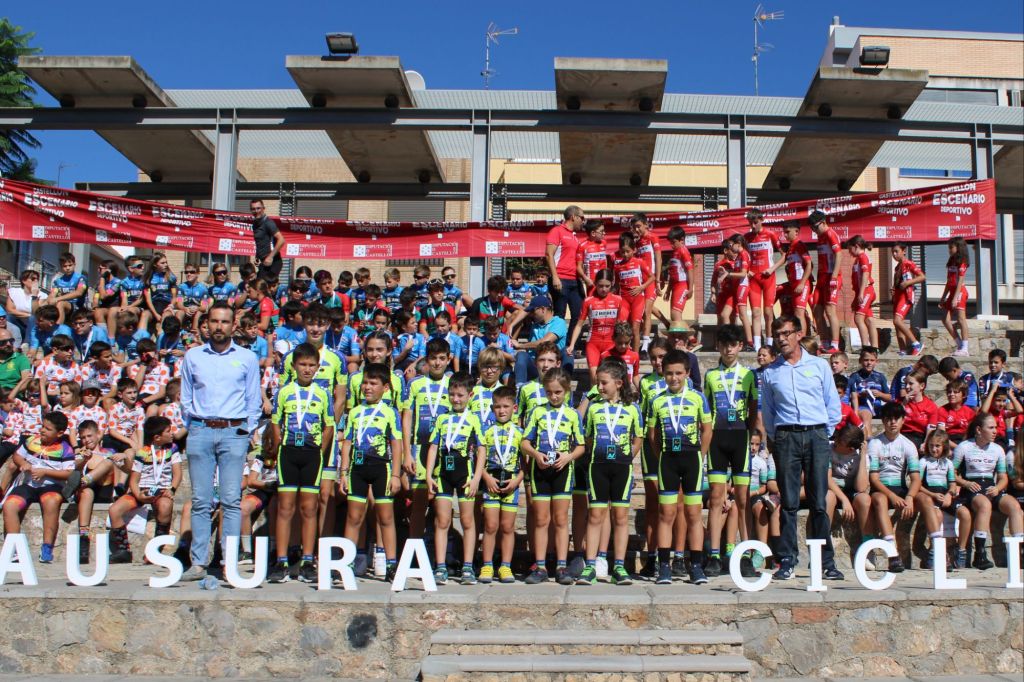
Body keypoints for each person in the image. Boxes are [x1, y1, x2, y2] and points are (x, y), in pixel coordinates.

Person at [178, 301, 262, 581]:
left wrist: (247, 430)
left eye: (224, 322)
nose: (219, 327)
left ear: (233, 325)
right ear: (207, 324)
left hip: (233, 431)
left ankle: (229, 563)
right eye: (214, 321)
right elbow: (185, 396)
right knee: (201, 500)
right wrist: (192, 426)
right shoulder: (193, 356)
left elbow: (253, 398)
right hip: (201, 429)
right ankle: (199, 562)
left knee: (231, 500)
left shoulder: (247, 357)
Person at [759, 314, 843, 581]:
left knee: (819, 501)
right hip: (786, 436)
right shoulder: (771, 372)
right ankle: (787, 560)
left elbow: (832, 404)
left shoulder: (819, 365)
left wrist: (824, 434)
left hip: (816, 434)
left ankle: (825, 561)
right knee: (788, 502)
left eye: (786, 334)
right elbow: (768, 411)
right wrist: (779, 436)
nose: (781, 339)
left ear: (798, 334)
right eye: (777, 335)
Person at [268, 342, 336, 583]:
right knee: (285, 508)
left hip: (311, 455)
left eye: (311, 365)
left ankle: (308, 561)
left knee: (309, 508)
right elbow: (275, 421)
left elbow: (329, 425)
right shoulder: (284, 391)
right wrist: (279, 446)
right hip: (288, 453)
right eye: (302, 365)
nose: (307, 369)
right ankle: (282, 561)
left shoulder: (323, 393)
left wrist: (320, 450)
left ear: (318, 367)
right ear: (294, 366)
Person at [576, 359, 644, 586]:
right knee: (595, 515)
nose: (599, 387)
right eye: (598, 383)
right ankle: (590, 566)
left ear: (619, 383)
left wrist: (627, 457)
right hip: (598, 467)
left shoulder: (632, 408)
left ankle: (619, 567)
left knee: (621, 517)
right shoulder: (594, 407)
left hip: (622, 468)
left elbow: (638, 437)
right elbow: (588, 437)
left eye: (604, 383)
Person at [649, 349, 713, 585]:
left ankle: (695, 566)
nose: (673, 378)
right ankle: (665, 566)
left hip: (692, 460)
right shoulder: (657, 400)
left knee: (693, 513)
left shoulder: (698, 398)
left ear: (687, 373)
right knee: (666, 513)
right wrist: (662, 456)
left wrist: (700, 455)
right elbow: (652, 435)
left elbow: (707, 430)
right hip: (668, 460)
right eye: (669, 373)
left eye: (678, 373)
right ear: (663, 374)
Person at [702, 324, 759, 578]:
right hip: (717, 440)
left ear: (740, 346)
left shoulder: (748, 375)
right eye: (724, 345)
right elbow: (706, 411)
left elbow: (753, 409)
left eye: (733, 345)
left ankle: (745, 554)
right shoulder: (710, 376)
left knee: (743, 499)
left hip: (740, 440)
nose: (728, 349)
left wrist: (751, 434)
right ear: (718, 346)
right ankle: (714, 555)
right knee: (716, 498)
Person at [339, 363, 402, 583]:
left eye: (373, 383)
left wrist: (396, 475)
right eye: (365, 382)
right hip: (357, 469)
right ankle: (346, 564)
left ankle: (391, 564)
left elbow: (396, 444)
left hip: (381, 468)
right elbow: (347, 443)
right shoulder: (355, 411)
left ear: (385, 388)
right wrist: (343, 472)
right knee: (353, 517)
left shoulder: (390, 412)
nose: (367, 387)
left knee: (385, 517)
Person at [521, 368, 584, 585]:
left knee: (560, 519)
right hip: (540, 469)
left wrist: (568, 457)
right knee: (540, 519)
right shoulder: (537, 412)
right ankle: (540, 566)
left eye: (558, 392)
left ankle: (561, 566)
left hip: (562, 470)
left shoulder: (573, 414)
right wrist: (535, 454)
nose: (554, 396)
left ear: (566, 391)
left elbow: (581, 445)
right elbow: (525, 442)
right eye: (549, 392)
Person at [425, 372, 486, 585]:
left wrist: (477, 478)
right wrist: (429, 474)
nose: (456, 399)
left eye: (460, 395)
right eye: (452, 394)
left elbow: (482, 450)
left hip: (465, 476)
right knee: (442, 521)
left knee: (468, 521)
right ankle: (440, 567)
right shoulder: (442, 418)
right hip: (443, 475)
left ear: (470, 395)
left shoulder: (474, 419)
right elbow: (433, 447)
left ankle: (468, 566)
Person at [2, 411, 76, 563]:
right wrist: (23, 463)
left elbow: (68, 473)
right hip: (28, 485)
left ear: (59, 433)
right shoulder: (31, 440)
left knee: (51, 502)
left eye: (48, 429)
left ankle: (47, 547)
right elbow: (17, 456)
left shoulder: (65, 448)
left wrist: (45, 472)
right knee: (10, 505)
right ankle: (14, 549)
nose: (42, 430)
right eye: (43, 426)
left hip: (51, 486)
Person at [107, 416, 182, 564]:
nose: (172, 433)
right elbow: (134, 480)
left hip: (162, 490)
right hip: (141, 489)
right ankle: (123, 550)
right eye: (168, 431)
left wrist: (172, 489)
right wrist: (138, 495)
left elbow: (178, 473)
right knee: (115, 510)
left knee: (165, 506)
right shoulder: (143, 452)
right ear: (157, 437)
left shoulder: (172, 449)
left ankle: (155, 552)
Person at [953, 412, 1023, 569]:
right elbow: (951, 472)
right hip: (972, 487)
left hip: (991, 486)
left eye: (996, 427)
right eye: (990, 428)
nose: (995, 431)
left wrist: (997, 488)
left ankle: (1020, 552)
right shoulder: (964, 447)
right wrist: (965, 483)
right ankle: (980, 554)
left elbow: (1003, 477)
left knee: (1014, 506)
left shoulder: (998, 449)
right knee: (984, 505)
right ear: (979, 430)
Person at [868, 402, 921, 573]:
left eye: (896, 418)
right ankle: (892, 554)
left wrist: (910, 498)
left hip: (900, 487)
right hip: (881, 488)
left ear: (903, 420)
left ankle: (938, 552)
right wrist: (892, 496)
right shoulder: (875, 443)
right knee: (879, 499)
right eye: (888, 419)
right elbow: (874, 479)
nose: (892, 422)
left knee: (926, 500)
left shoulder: (908, 445)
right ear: (883, 421)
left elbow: (915, 478)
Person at [478, 386, 524, 584]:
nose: (502, 410)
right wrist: (486, 477)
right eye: (497, 407)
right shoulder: (485, 431)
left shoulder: (520, 433)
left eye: (506, 406)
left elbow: (526, 464)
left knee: (507, 526)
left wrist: (517, 480)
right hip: (491, 481)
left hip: (511, 482)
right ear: (492, 408)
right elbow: (478, 460)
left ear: (514, 408)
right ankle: (487, 565)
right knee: (490, 525)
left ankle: (505, 566)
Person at [915, 429, 970, 570]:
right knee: (937, 515)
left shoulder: (948, 463)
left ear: (944, 446)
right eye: (931, 445)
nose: (934, 449)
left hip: (945, 495)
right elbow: (917, 485)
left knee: (965, 514)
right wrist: (932, 495)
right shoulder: (923, 462)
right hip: (930, 495)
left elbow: (952, 483)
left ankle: (961, 551)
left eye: (937, 446)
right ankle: (934, 553)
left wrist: (949, 495)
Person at [545, 206, 586, 346]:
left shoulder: (575, 236)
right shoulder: (557, 231)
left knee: (579, 314)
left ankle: (569, 346)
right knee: (560, 316)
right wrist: (555, 277)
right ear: (573, 217)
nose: (583, 221)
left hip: (575, 280)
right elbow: (549, 254)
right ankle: (557, 347)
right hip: (561, 279)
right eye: (582, 217)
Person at [743, 209, 782, 351]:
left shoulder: (770, 234)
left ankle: (770, 345)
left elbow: (784, 255)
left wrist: (772, 269)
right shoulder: (746, 237)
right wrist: (747, 271)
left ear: (762, 220)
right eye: (750, 223)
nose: (753, 226)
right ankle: (757, 345)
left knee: (768, 312)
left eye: (755, 223)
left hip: (768, 277)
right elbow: (742, 257)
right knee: (755, 312)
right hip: (754, 279)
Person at [512, 295, 571, 387]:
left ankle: (566, 387)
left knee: (568, 353)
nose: (531, 314)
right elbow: (524, 312)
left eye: (533, 311)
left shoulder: (559, 322)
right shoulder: (535, 325)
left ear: (543, 309)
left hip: (553, 366)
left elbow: (544, 342)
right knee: (521, 355)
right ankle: (519, 388)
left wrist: (520, 345)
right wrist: (511, 325)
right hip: (537, 366)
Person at [810, 210, 843, 355]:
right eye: (812, 229)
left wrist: (834, 277)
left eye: (816, 227)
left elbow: (839, 255)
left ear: (823, 222)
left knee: (830, 310)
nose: (814, 231)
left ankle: (835, 344)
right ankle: (824, 342)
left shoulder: (830, 234)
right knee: (817, 309)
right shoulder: (820, 237)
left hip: (832, 277)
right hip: (822, 278)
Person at [890, 242, 926, 356]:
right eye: (892, 252)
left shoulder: (908, 263)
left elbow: (922, 276)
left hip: (906, 296)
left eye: (896, 251)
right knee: (896, 323)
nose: (894, 254)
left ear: (904, 251)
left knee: (897, 320)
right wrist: (893, 289)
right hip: (898, 296)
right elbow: (898, 283)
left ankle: (916, 344)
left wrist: (908, 283)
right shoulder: (897, 267)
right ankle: (903, 349)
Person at [939, 236, 970, 357]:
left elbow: (960, 281)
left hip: (960, 292)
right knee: (945, 319)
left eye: (951, 247)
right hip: (952, 292)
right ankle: (960, 344)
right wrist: (943, 297)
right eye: (949, 247)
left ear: (958, 247)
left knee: (961, 319)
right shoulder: (951, 261)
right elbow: (949, 281)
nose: (949, 250)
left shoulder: (962, 262)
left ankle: (965, 348)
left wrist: (955, 297)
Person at [845, 236, 878, 349]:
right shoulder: (858, 259)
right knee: (869, 320)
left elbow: (865, 274)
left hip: (867, 291)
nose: (849, 252)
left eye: (850, 249)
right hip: (863, 291)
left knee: (858, 318)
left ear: (856, 246)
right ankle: (874, 348)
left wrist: (861, 293)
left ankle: (866, 347)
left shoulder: (863, 257)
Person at [250, 199, 286, 283]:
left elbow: (281, 240)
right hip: (263, 262)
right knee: (259, 286)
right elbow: (260, 242)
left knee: (262, 286)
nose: (256, 211)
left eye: (258, 208)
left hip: (273, 262)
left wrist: (270, 257)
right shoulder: (255, 224)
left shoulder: (268, 223)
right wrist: (257, 256)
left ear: (263, 208)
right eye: (253, 209)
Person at [664, 226, 694, 325]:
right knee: (674, 316)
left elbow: (690, 270)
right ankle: (686, 334)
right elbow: (672, 275)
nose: (672, 245)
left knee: (676, 314)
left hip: (682, 285)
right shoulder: (674, 253)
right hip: (675, 286)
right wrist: (668, 290)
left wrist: (690, 289)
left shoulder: (683, 251)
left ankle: (686, 334)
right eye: (670, 243)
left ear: (682, 240)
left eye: (674, 242)